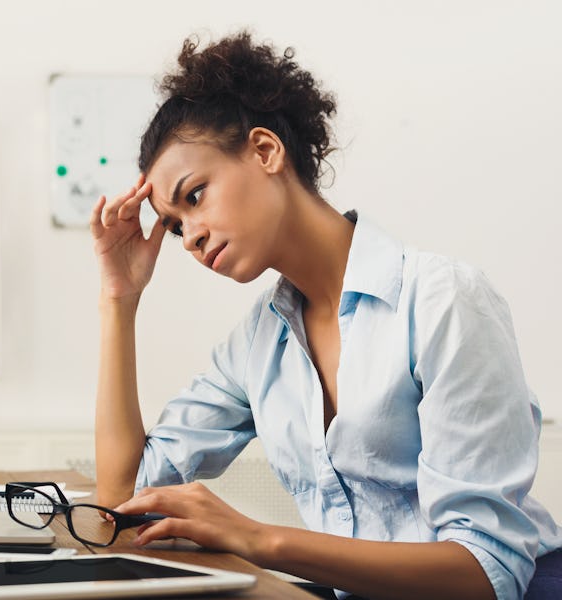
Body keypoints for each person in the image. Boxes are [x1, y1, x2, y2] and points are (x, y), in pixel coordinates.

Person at [89, 31, 562, 600]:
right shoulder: (260, 342)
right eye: (173, 225)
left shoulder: (442, 299)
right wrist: (121, 299)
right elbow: (122, 494)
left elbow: (487, 572)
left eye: (194, 197)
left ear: (265, 151)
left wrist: (259, 539)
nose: (189, 236)